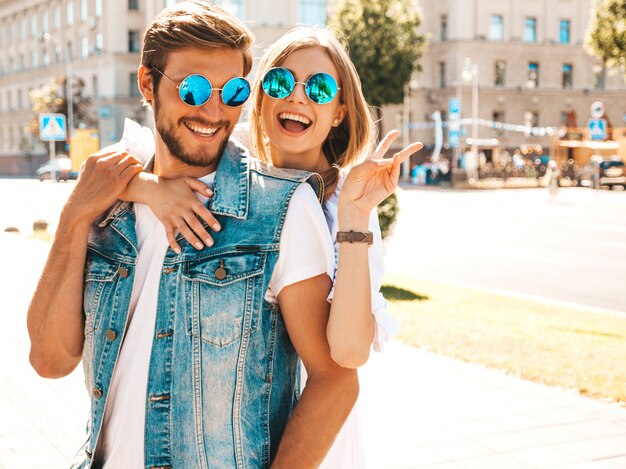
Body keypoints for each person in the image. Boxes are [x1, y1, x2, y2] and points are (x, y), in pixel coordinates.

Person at [26, 3, 359, 468]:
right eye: (194, 88)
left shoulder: (280, 208)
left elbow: (335, 379)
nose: (213, 109)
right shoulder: (108, 201)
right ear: (147, 83)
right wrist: (75, 215)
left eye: (234, 91)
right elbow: (49, 359)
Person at [115, 27, 422, 468]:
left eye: (319, 88)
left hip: (312, 436)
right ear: (260, 99)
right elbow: (118, 164)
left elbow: (349, 355)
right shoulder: (229, 165)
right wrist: (149, 189)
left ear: (338, 113)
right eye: (280, 83)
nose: (298, 98)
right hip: (232, 435)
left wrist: (354, 219)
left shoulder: (347, 203)